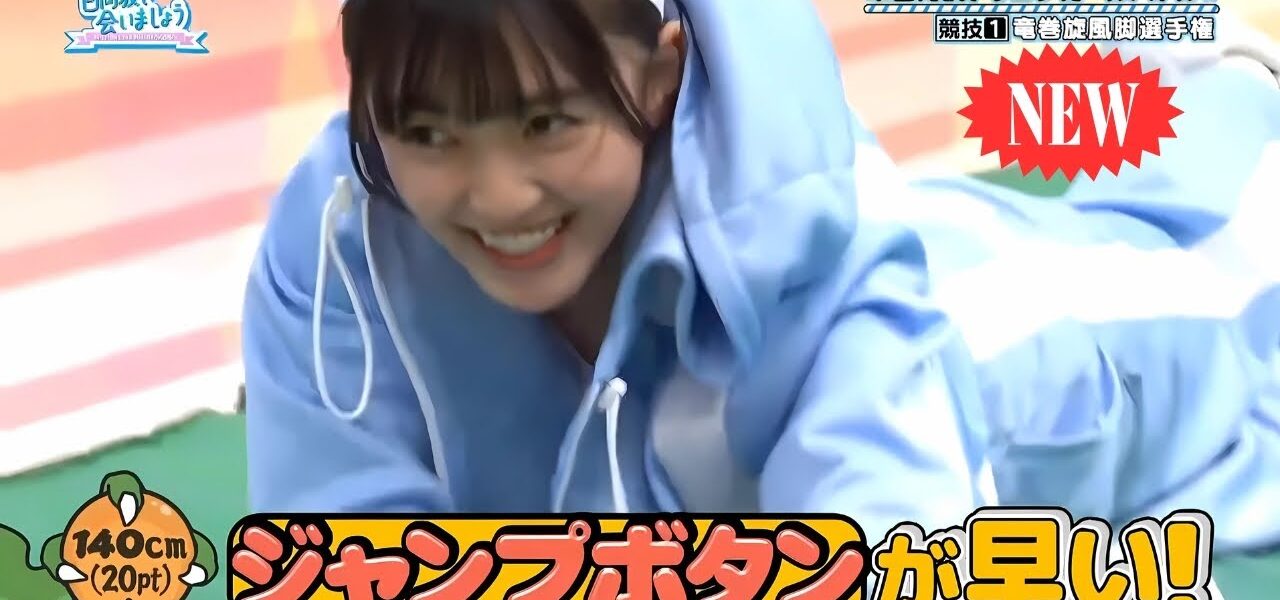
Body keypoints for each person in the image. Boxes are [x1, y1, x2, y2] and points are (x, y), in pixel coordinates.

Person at [242, 0, 1280, 551]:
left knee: (1211, 287)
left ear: (658, 72)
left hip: (985, 340)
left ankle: (1236, 83)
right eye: (426, 133)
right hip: (842, 227)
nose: (497, 194)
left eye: (547, 122)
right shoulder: (336, 243)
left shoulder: (830, 277)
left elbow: (882, 545)